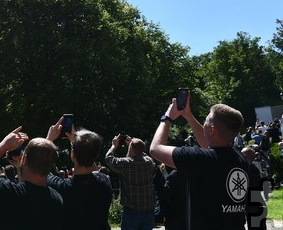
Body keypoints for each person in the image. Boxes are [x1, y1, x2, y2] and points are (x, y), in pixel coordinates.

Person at [149, 96, 249, 230]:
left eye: (206, 120)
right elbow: (208, 144)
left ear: (212, 130)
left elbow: (155, 149)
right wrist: (188, 116)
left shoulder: (200, 159)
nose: (204, 124)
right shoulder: (240, 158)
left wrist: (167, 117)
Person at [0, 126, 64, 230]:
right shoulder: (56, 199)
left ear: (25, 159)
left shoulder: (4, 191)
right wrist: (19, 168)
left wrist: (3, 146)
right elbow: (29, 193)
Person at [45, 116, 112, 230]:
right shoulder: (104, 181)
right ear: (96, 155)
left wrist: (48, 140)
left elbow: (38, 168)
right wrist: (77, 144)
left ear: (72, 154)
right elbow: (92, 163)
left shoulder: (61, 187)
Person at [105, 134, 156, 230]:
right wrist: (135, 145)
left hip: (131, 211)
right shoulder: (149, 163)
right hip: (148, 209)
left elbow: (109, 159)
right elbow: (144, 155)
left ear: (131, 149)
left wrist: (113, 146)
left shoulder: (126, 164)